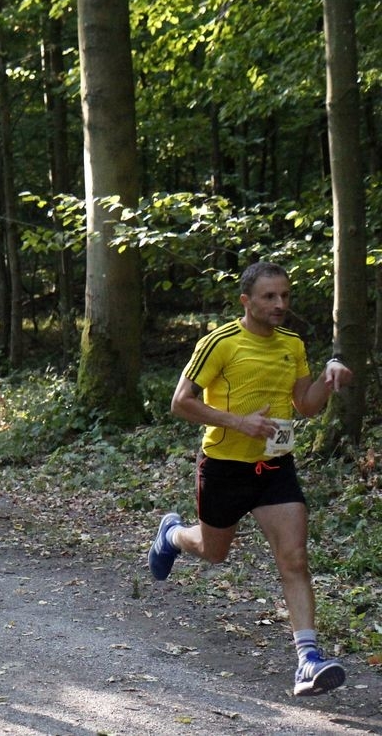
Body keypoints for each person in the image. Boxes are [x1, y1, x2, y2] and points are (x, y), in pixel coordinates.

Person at [149, 261, 352, 697]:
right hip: (224, 466)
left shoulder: (292, 344)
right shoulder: (219, 342)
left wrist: (327, 378)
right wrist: (238, 422)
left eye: (285, 296)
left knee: (294, 558)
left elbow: (306, 406)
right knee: (213, 551)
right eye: (269, 297)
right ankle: (172, 536)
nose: (280, 304)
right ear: (247, 301)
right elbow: (180, 402)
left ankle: (308, 659)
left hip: (275, 467)